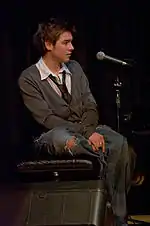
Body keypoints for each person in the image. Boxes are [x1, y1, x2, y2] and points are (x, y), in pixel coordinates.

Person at [18, 18, 134, 226]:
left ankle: (117, 217)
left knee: (119, 143)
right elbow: (47, 119)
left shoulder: (75, 68)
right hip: (53, 133)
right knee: (65, 139)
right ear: (48, 45)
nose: (72, 47)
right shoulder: (29, 78)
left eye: (72, 42)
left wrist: (89, 130)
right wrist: (86, 133)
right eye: (65, 42)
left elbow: (90, 104)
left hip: (86, 128)